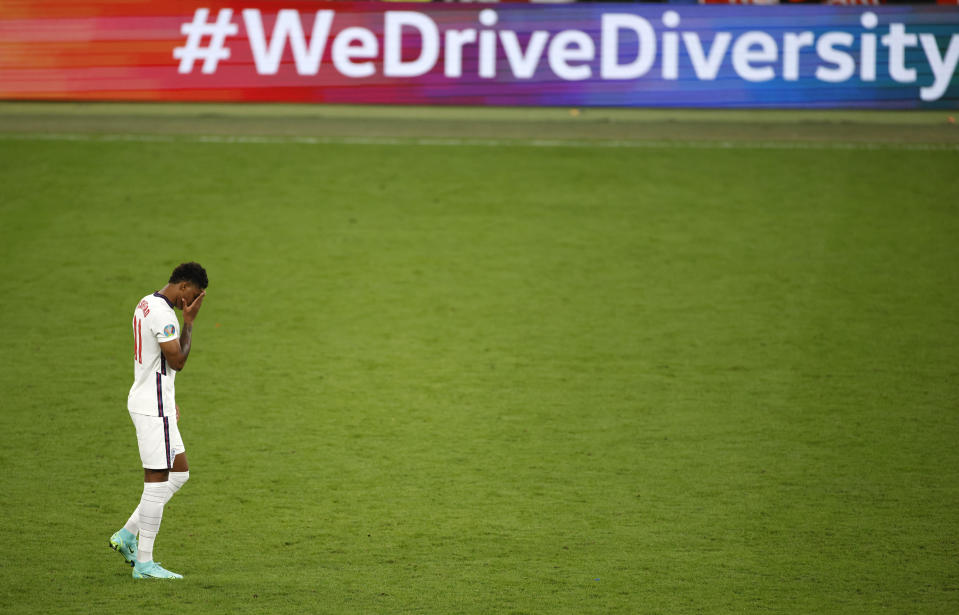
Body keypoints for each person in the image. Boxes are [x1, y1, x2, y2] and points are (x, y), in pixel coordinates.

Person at [109, 262, 208, 579]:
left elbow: (154, 362)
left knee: (179, 474)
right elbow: (176, 360)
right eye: (190, 296)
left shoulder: (146, 302)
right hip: (153, 409)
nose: (188, 304)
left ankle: (127, 535)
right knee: (156, 479)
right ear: (182, 286)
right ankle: (145, 563)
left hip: (153, 400)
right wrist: (189, 323)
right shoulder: (166, 315)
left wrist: (168, 396)